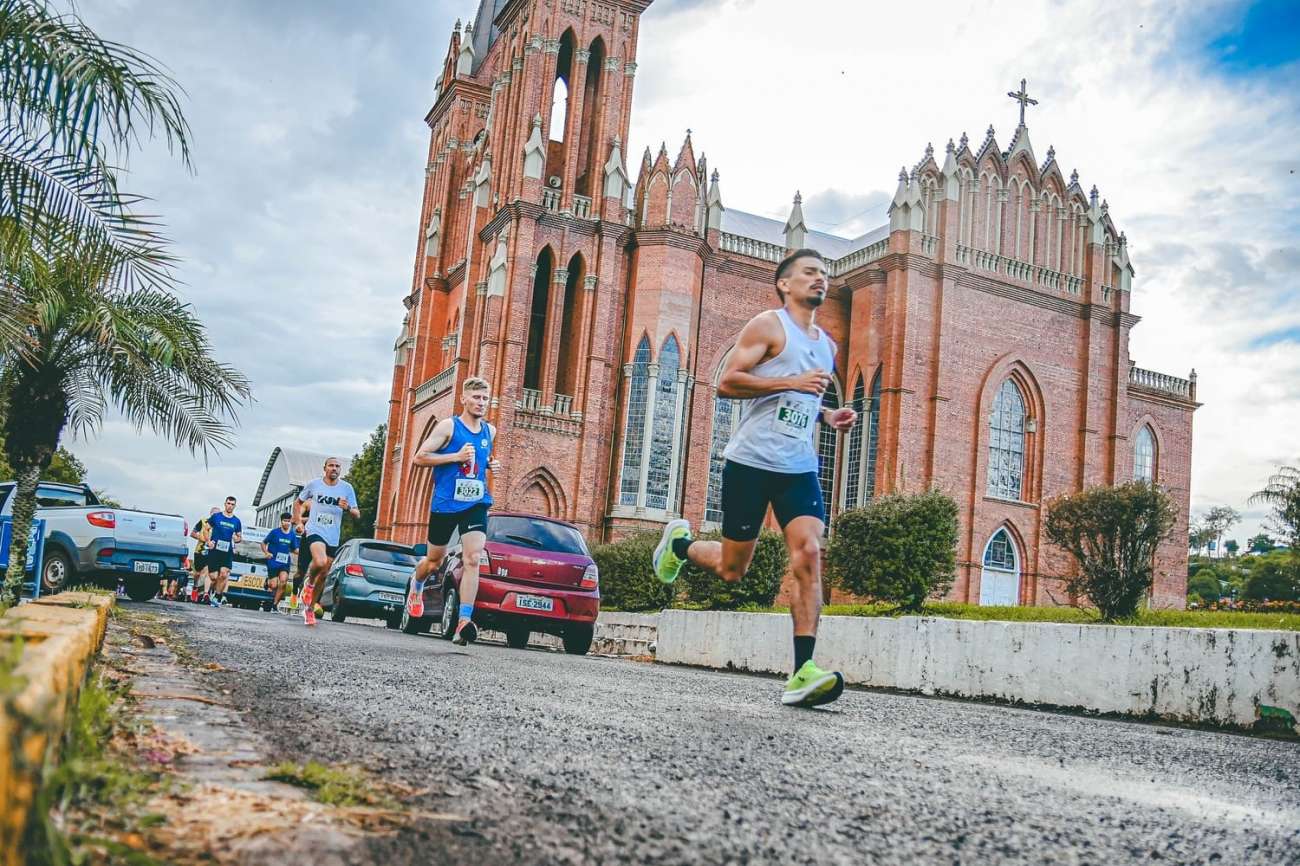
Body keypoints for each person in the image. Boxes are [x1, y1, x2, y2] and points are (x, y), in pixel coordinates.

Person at [652, 249, 858, 708]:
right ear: (785, 283)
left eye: (824, 274)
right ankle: (681, 546)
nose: (819, 280)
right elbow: (727, 383)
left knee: (809, 552)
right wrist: (789, 383)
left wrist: (827, 415)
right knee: (732, 569)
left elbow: (803, 400)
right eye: (809, 273)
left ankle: (803, 670)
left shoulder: (827, 344)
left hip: (798, 466)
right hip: (750, 462)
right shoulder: (768, 325)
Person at [406, 376, 500, 646]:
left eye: (485, 398)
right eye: (476, 397)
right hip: (446, 504)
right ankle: (417, 585)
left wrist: (489, 465)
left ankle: (463, 622)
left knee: (473, 558)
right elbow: (419, 457)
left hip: (476, 503)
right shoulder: (449, 426)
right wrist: (455, 456)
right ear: (464, 399)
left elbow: (478, 461)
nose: (481, 403)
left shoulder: (489, 432)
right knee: (434, 560)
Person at [294, 458, 360, 627]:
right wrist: (299, 523)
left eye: (337, 466)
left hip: (332, 536)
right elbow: (298, 502)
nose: (334, 469)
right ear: (325, 468)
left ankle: (309, 609)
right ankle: (308, 584)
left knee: (323, 574)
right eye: (331, 466)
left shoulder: (347, 488)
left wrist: (347, 508)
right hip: (314, 530)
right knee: (320, 561)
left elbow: (357, 514)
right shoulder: (314, 484)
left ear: (340, 470)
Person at [205, 496, 243, 607]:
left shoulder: (236, 521)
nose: (230, 506)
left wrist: (237, 539)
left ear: (235, 506)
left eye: (232, 504)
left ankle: (217, 597)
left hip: (227, 551)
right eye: (228, 503)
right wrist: (208, 541)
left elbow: (239, 536)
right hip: (215, 550)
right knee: (213, 577)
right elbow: (206, 529)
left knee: (223, 574)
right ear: (225, 504)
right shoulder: (216, 517)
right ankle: (214, 592)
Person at [262, 512, 299, 612]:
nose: (286, 523)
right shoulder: (275, 532)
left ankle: (275, 605)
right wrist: (266, 552)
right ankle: (268, 582)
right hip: (273, 562)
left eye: (288, 521)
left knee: (283, 582)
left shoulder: (292, 534)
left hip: (284, 563)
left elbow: (295, 549)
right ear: (281, 522)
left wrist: (303, 553)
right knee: (273, 585)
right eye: (285, 521)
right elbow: (264, 543)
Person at [188, 507, 219, 603]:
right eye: (214, 514)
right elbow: (192, 533)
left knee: (206, 572)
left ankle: (204, 594)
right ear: (210, 514)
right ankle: (195, 587)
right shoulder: (203, 521)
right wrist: (202, 538)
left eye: (217, 515)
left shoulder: (219, 525)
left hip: (212, 552)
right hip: (200, 551)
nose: (215, 516)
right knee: (197, 574)